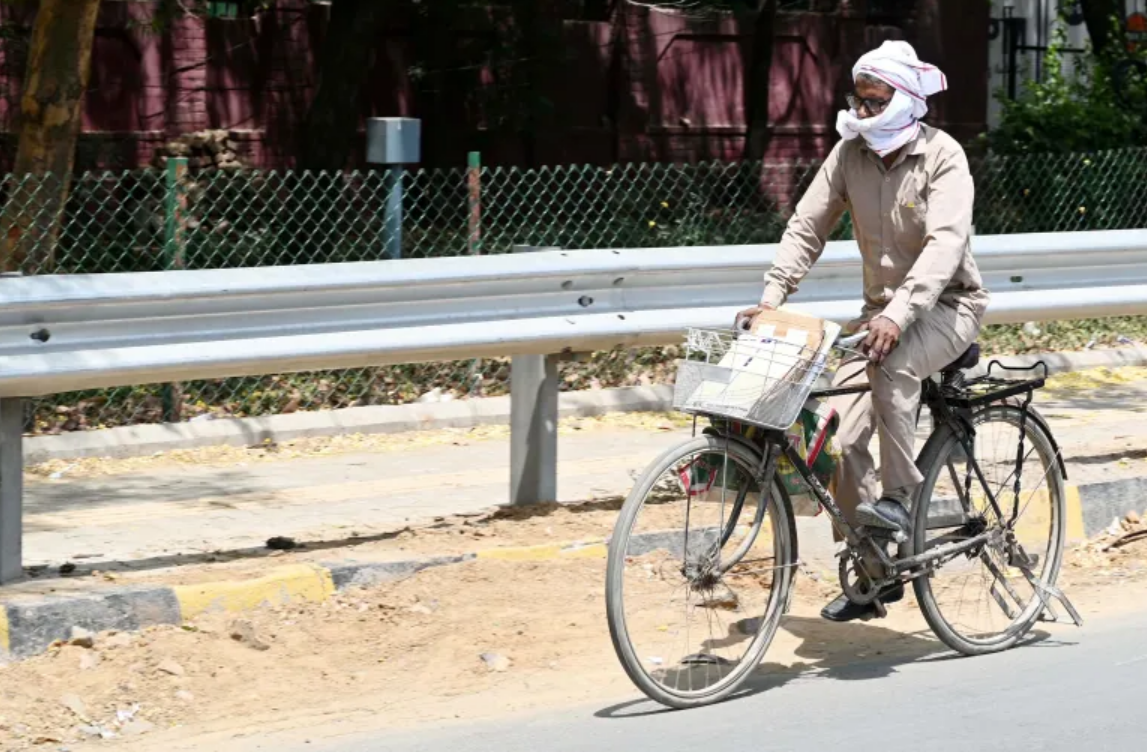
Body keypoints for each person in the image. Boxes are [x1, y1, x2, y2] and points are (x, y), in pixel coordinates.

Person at [737, 40, 990, 622]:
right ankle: (876, 572)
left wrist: (899, 316)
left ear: (904, 101)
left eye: (876, 102)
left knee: (893, 363)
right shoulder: (850, 154)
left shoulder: (942, 156)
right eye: (860, 99)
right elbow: (807, 226)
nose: (864, 111)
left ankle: (901, 498)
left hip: (948, 307)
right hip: (879, 314)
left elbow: (945, 245)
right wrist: (770, 298)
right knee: (838, 433)